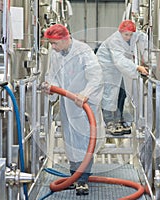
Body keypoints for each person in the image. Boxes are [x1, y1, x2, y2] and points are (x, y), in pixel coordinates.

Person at [43, 24, 105, 195]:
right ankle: (74, 176)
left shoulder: (83, 51)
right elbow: (52, 74)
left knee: (86, 140)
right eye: (50, 44)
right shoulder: (55, 53)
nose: (52, 47)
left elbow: (96, 75)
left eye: (54, 43)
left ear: (65, 39)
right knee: (70, 139)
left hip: (85, 104)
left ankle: (83, 179)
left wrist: (85, 94)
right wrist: (50, 87)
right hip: (67, 103)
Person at [96, 20, 149, 135]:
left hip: (118, 69)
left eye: (130, 34)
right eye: (126, 34)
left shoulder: (134, 35)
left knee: (122, 93)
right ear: (120, 32)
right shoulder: (114, 40)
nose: (128, 37)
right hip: (106, 68)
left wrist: (147, 58)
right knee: (109, 95)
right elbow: (119, 60)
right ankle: (109, 123)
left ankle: (118, 120)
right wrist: (137, 67)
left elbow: (142, 37)